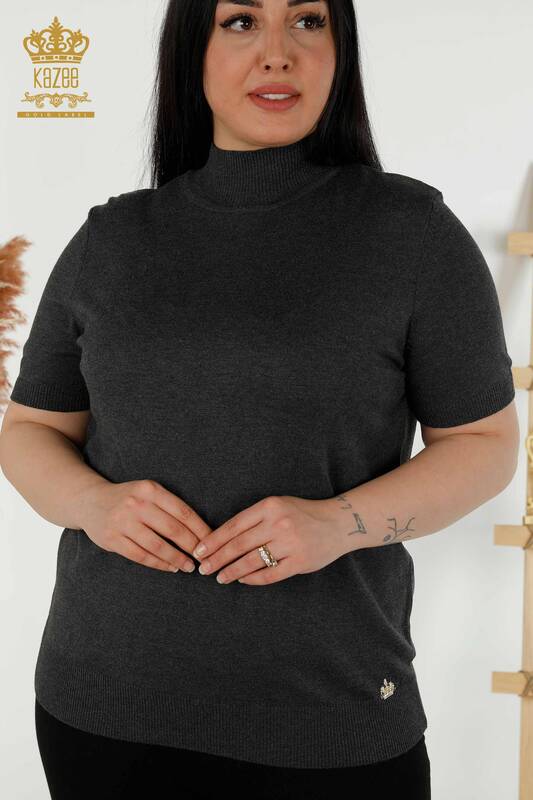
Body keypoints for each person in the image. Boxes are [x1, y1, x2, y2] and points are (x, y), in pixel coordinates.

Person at [0, 1, 519, 798]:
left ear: (339, 49)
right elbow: (31, 428)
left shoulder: (411, 235)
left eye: (307, 21)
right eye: (240, 21)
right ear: (192, 50)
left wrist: (336, 524)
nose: (277, 52)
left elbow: (484, 447)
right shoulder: (112, 239)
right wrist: (91, 504)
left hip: (331, 721)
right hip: (100, 712)